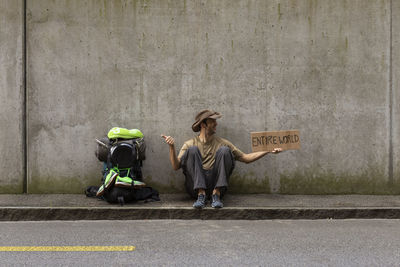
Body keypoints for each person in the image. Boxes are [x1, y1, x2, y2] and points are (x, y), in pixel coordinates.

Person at [161, 109, 282, 209]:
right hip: (195, 187)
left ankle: (216, 194)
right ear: (203, 124)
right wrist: (172, 147)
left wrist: (268, 150)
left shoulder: (222, 143)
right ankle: (201, 194)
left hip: (216, 185)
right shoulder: (190, 144)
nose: (216, 124)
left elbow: (245, 158)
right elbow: (176, 166)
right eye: (213, 121)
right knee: (192, 150)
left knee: (225, 150)